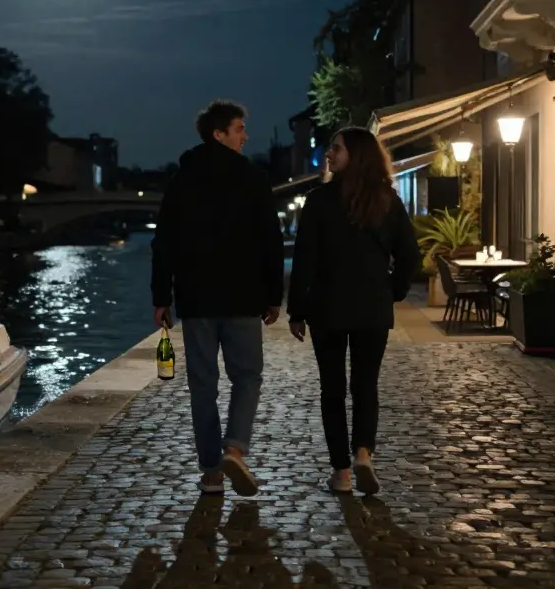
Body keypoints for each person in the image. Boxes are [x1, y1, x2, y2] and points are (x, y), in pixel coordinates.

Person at [150, 99, 284, 497]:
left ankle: (211, 473)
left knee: (202, 385)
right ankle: (235, 448)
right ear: (219, 134)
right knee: (247, 377)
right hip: (243, 297)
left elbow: (164, 243)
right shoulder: (252, 177)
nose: (246, 137)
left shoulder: (182, 179)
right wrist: (273, 295)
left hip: (196, 300)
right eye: (240, 129)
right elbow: (271, 242)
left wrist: (162, 296)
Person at [287, 127, 420, 496]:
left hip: (327, 307)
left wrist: (296, 310)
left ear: (356, 155)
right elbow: (410, 255)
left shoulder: (319, 201)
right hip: (372, 308)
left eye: (336, 149)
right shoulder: (388, 201)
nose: (328, 154)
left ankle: (342, 473)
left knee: (332, 390)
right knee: (366, 385)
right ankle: (363, 453)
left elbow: (304, 262)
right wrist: (393, 291)